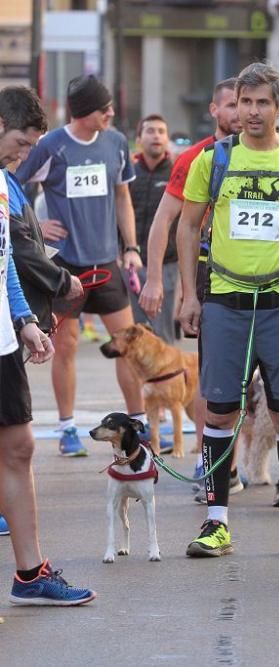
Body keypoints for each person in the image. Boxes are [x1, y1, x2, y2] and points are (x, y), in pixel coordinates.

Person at [176, 62, 279, 558]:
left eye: (261, 103)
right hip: (225, 301)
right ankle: (215, 524)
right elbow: (187, 228)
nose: (251, 112)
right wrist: (189, 293)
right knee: (221, 413)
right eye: (244, 102)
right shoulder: (215, 159)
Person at [15, 74, 145, 458]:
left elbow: (123, 196)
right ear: (87, 112)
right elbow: (11, 186)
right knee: (66, 346)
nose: (112, 113)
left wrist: (131, 247)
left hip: (105, 260)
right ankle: (68, 427)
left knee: (129, 345)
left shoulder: (116, 142)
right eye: (105, 108)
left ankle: (138, 421)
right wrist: (37, 225)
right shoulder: (52, 146)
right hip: (63, 264)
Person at [0, 84, 95, 604]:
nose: (23, 153)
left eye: (31, 144)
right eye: (19, 140)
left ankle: (30, 574)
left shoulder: (3, 183)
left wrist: (23, 319)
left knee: (20, 446)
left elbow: (5, 260)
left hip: (3, 340)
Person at [138, 78, 241, 323]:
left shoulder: (270, 156)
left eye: (245, 104)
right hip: (208, 271)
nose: (240, 113)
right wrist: (154, 280)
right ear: (213, 110)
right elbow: (163, 220)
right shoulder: (195, 158)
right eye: (232, 105)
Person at [129, 113, 176, 343]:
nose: (156, 136)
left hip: (168, 267)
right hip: (131, 266)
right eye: (150, 131)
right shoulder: (128, 173)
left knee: (163, 340)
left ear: (167, 139)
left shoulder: (177, 173)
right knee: (133, 340)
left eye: (161, 131)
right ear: (139, 139)